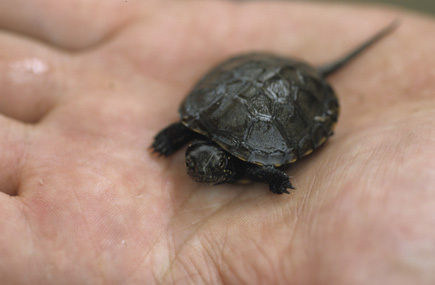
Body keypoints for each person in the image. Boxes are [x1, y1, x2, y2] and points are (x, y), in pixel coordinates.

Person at [0, 1, 434, 283]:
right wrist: (171, 137)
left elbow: (268, 168)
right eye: (195, 159)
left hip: (294, 91)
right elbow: (186, 130)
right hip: (248, 83)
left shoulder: (246, 163)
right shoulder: (203, 136)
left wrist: (275, 180)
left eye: (203, 165)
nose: (197, 169)